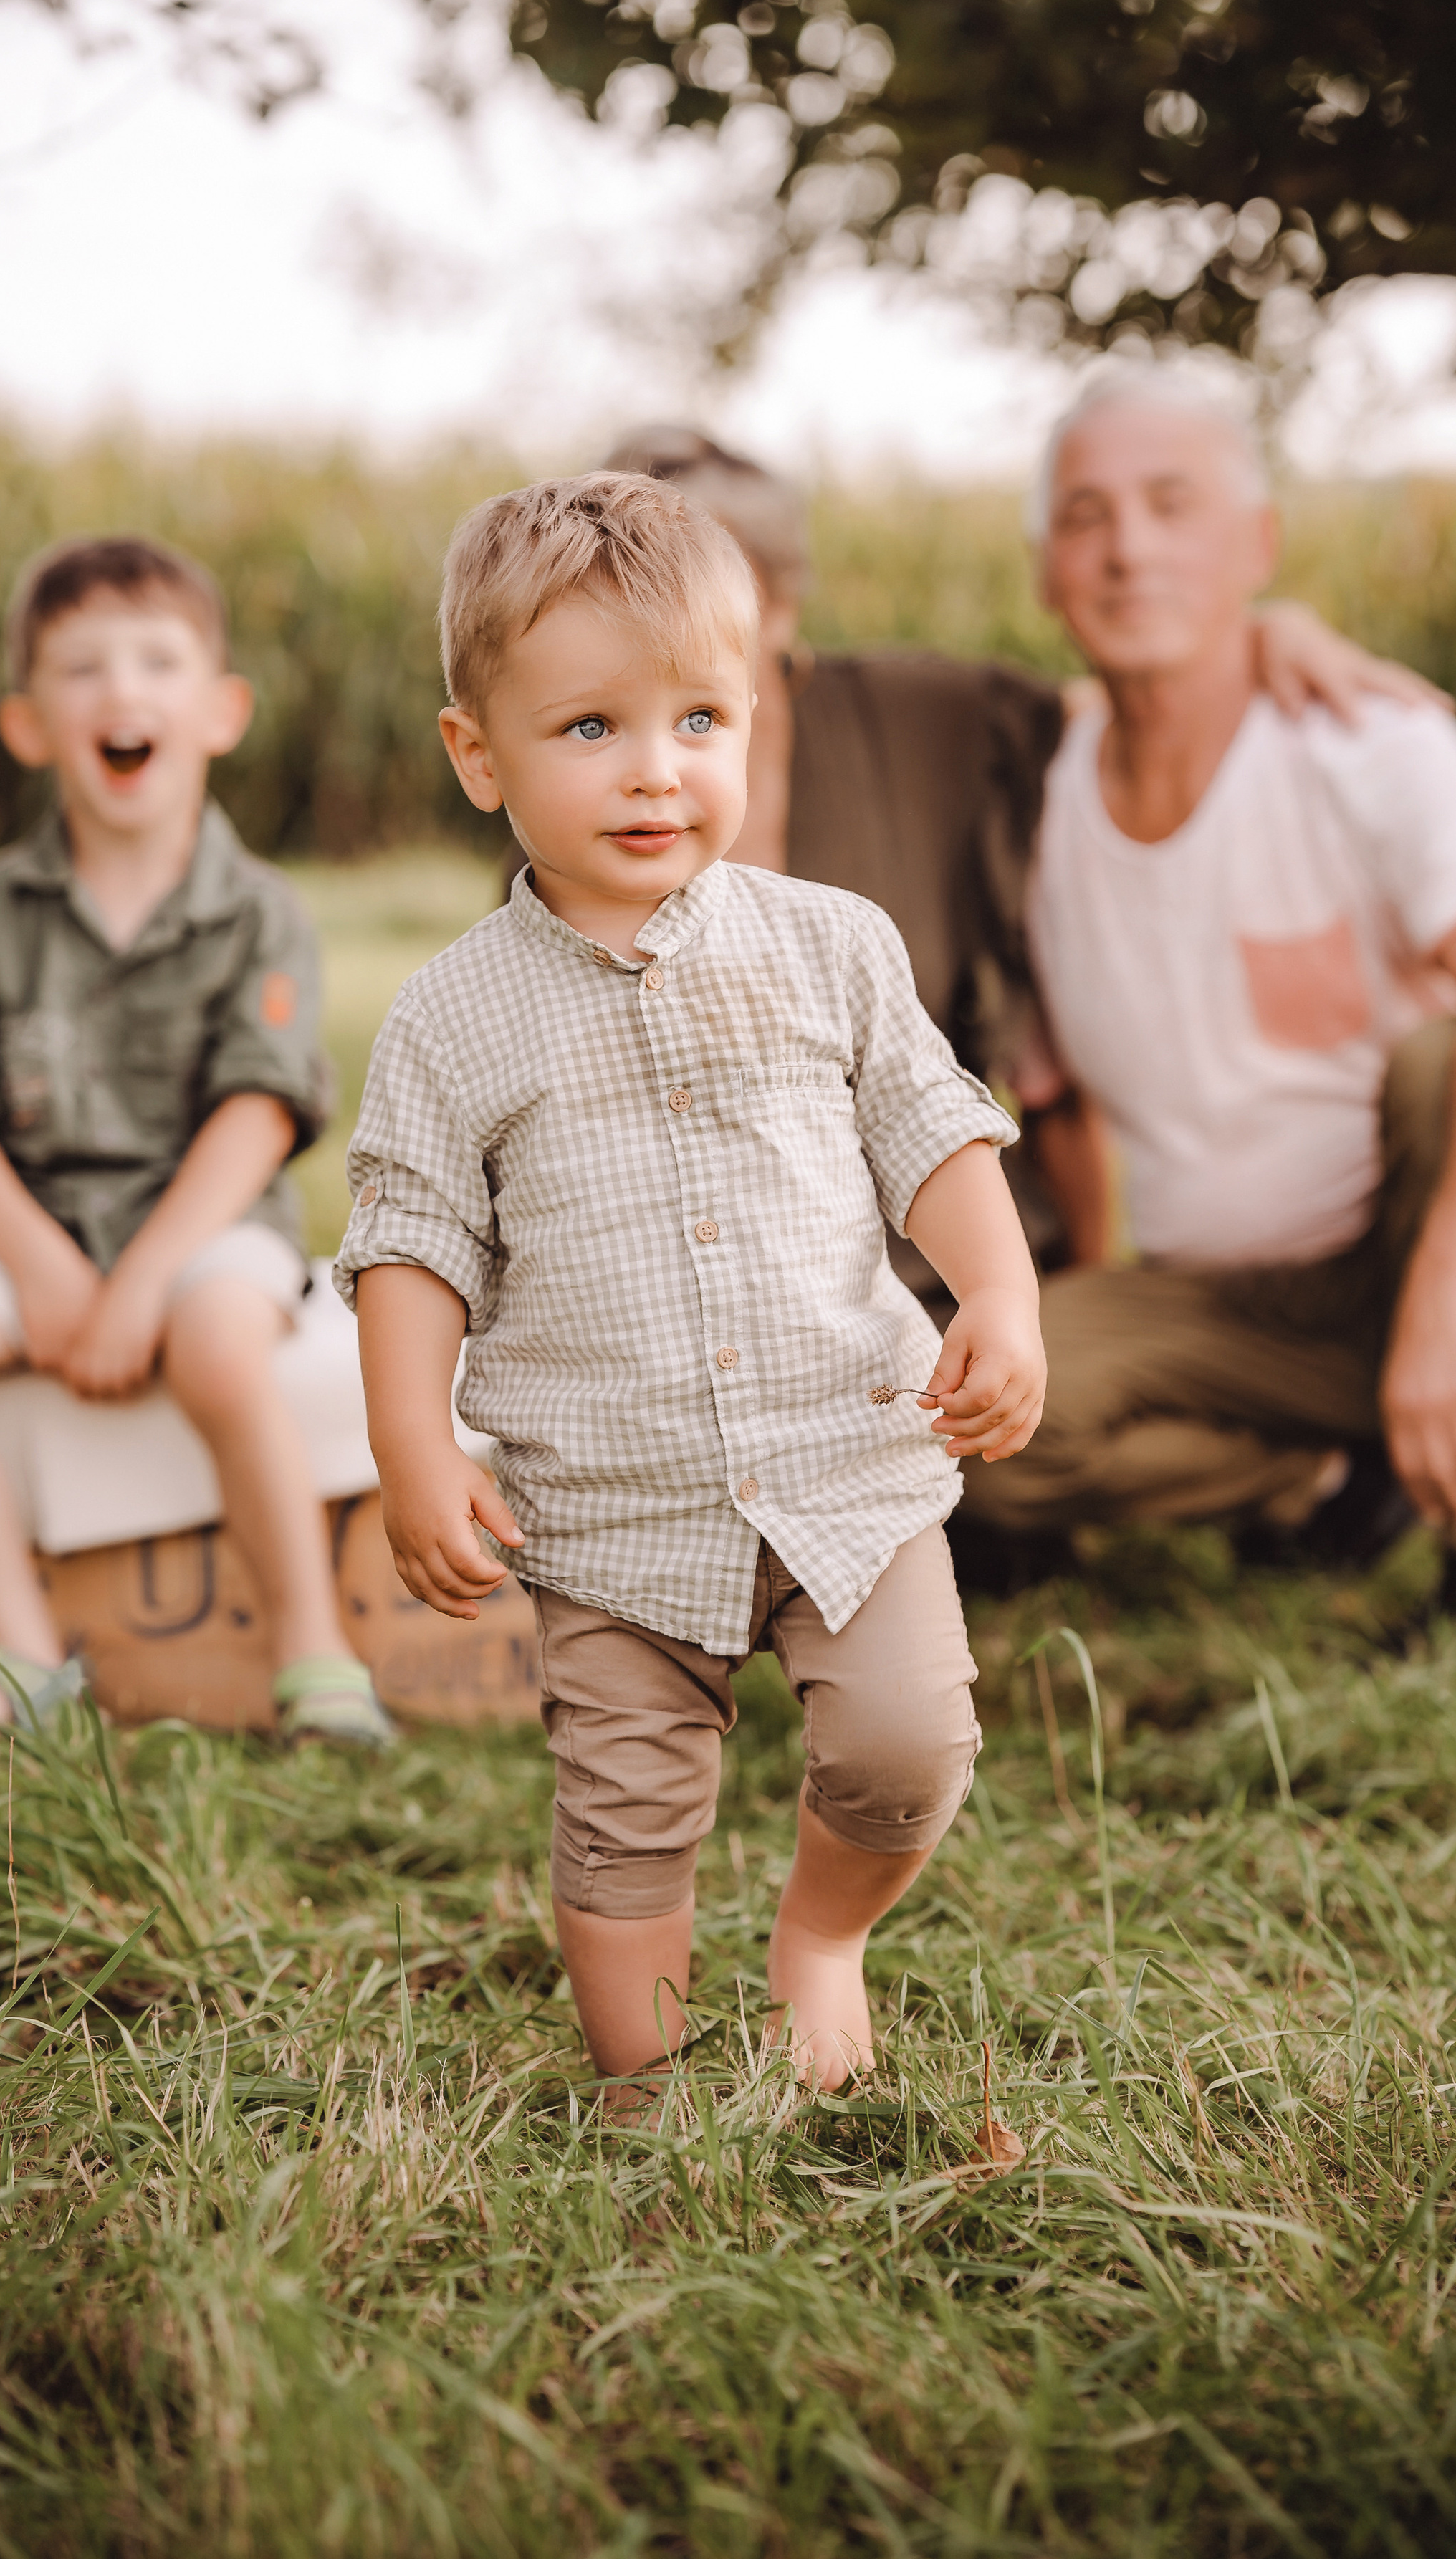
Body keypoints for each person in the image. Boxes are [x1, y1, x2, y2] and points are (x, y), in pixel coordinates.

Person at [339, 472, 1047, 2096]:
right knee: (626, 1820)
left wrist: (995, 1296)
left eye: (698, 718)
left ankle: (819, 1937)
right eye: (587, 726)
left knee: (905, 1744)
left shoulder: (831, 946)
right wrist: (411, 1442)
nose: (654, 769)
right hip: (612, 1501)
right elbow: (410, 1242)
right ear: (478, 757)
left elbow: (930, 1131)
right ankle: (645, 2094)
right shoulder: (455, 1021)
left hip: (845, 1454)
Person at [959, 369, 1456, 1637]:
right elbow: (1052, 1094)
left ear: (1258, 545)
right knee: (972, 1427)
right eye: (1085, 517)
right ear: (1045, 573)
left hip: (1412, 1249)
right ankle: (1325, 1468)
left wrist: (1449, 1296)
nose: (1128, 549)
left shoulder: (1365, 741)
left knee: (1450, 1058)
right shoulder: (1036, 801)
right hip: (1220, 1303)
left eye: (1173, 504)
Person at [598, 428, 1450, 1299]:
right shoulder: (573, 793)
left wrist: (1270, 632)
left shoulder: (923, 721)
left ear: (775, 606)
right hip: (694, 1305)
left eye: (686, 591)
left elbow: (1142, 698)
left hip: (929, 1288)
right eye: (611, 600)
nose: (646, 632)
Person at [0, 534, 394, 1746]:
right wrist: (43, 1268)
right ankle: (25, 1654)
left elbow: (257, 1116)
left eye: (157, 660)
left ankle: (314, 1650)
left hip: (207, 1231)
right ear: (28, 724)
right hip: (25, 1223)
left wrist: (143, 1280)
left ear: (221, 711)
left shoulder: (260, 913)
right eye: (81, 668)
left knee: (213, 1349)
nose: (121, 691)